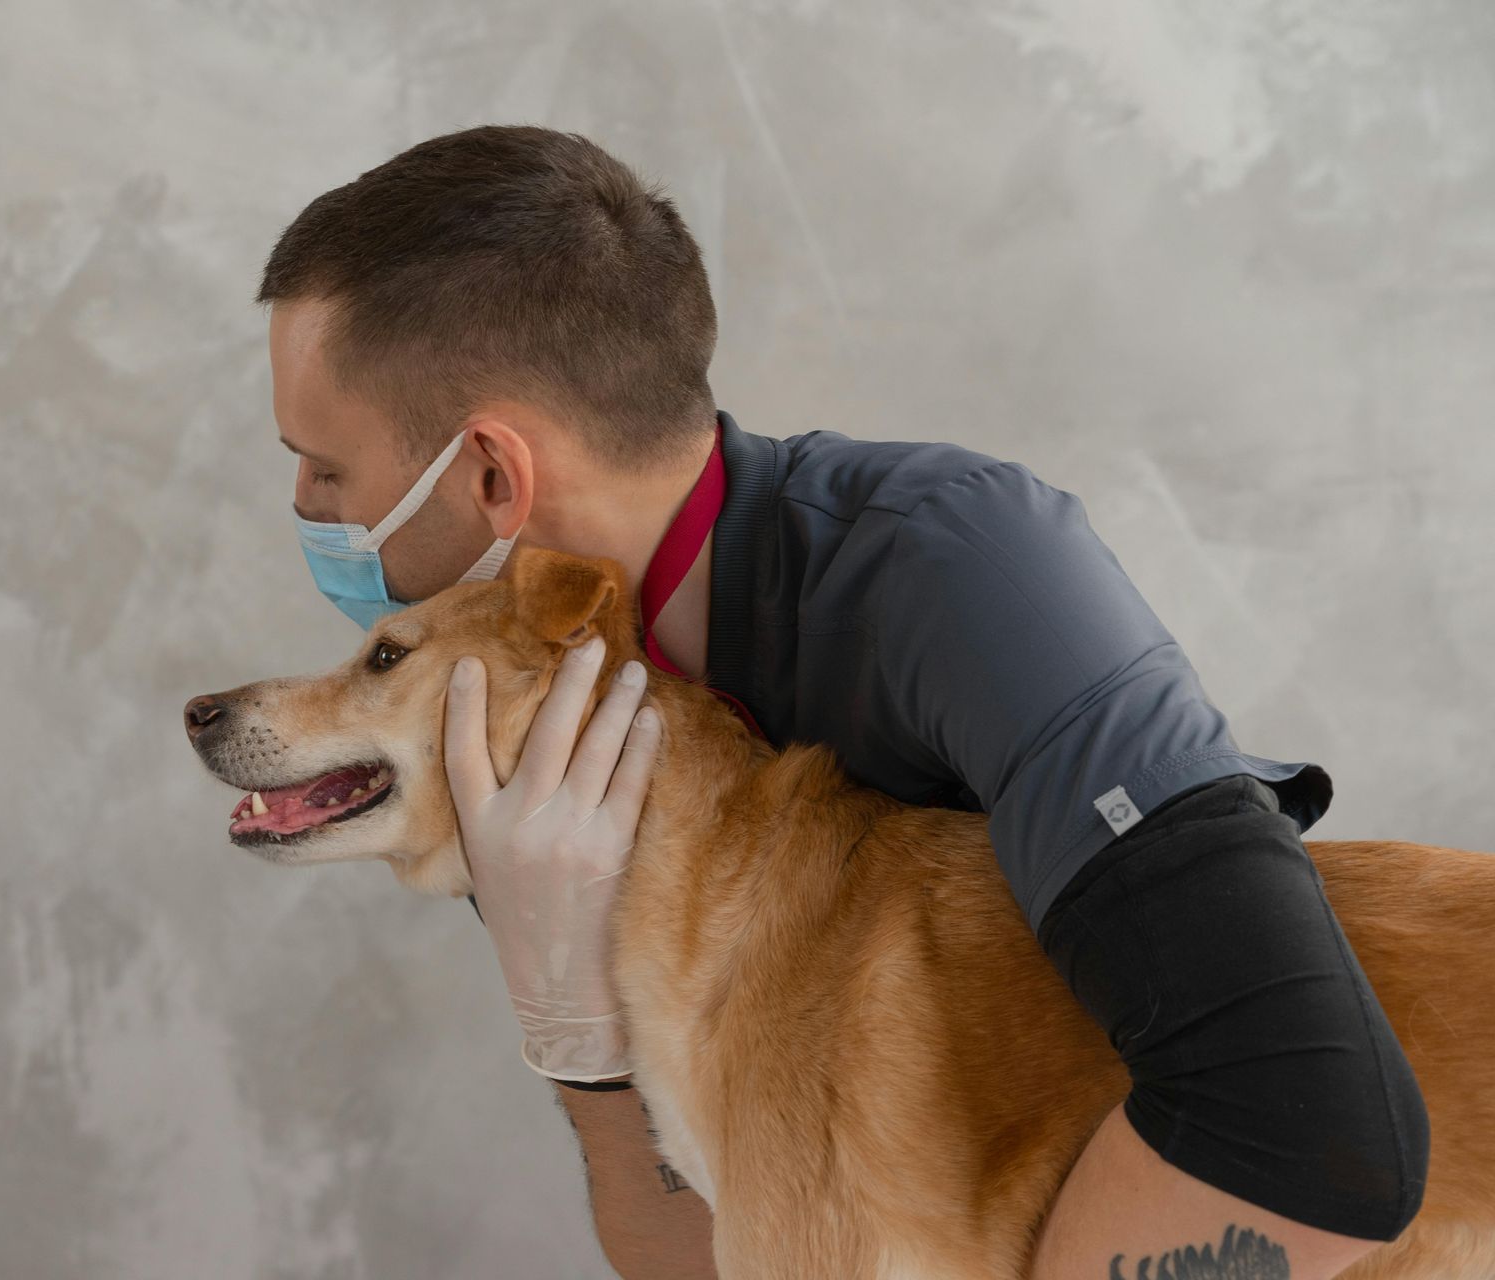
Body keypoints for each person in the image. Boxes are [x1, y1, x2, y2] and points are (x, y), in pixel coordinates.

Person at [254, 123, 1428, 1280]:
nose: (306, 504)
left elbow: (1311, 1131)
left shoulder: (961, 565)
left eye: (326, 466)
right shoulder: (539, 726)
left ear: (492, 472)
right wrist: (584, 1045)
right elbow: (721, 1256)